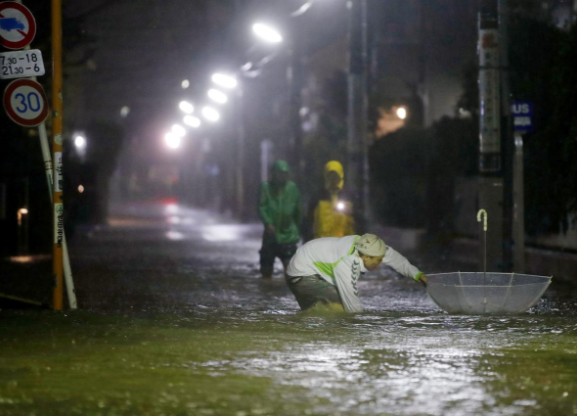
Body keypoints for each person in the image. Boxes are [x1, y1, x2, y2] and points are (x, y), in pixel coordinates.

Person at [285, 233, 427, 312]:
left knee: (315, 312)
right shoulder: (346, 263)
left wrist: (418, 275)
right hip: (301, 276)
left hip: (313, 269)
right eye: (377, 261)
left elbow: (395, 259)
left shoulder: (368, 246)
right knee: (339, 307)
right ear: (365, 257)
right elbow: (351, 303)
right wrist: (362, 327)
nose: (379, 264)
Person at [258, 160, 302, 279]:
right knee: (266, 270)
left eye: (284, 173)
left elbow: (298, 211)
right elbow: (262, 207)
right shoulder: (266, 188)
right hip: (270, 235)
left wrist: (297, 231)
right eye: (279, 173)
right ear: (274, 173)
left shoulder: (292, 188)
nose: (282, 176)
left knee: (291, 272)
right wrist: (268, 223)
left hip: (288, 235)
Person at [305, 160, 363, 241]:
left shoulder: (349, 197)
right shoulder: (318, 197)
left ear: (341, 176)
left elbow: (361, 222)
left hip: (344, 245)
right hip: (321, 245)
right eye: (330, 175)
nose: (333, 179)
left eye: (336, 176)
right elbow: (309, 222)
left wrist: (352, 213)